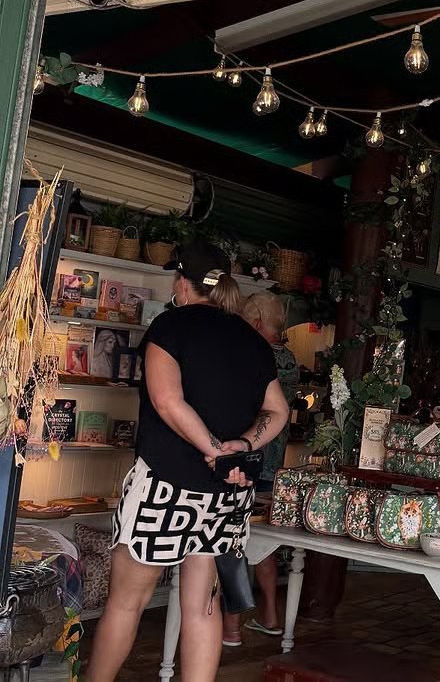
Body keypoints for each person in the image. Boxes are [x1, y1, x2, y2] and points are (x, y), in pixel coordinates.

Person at [86, 241, 290, 682]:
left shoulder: (171, 326)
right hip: (226, 494)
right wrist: (240, 445)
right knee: (203, 607)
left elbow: (167, 401)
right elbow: (278, 411)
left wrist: (211, 448)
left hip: (166, 483)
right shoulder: (252, 340)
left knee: (127, 603)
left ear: (182, 282)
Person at [222, 292, 299, 646]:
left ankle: (231, 629)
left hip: (243, 460)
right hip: (273, 466)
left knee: (229, 539)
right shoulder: (289, 360)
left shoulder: (250, 353)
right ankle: (269, 615)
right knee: (263, 545)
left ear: (253, 322)